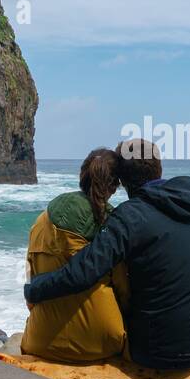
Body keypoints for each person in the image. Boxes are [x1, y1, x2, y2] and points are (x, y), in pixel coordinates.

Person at [24, 139, 190, 379]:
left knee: (118, 340)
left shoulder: (132, 216)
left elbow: (85, 271)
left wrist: (36, 289)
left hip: (152, 353)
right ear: (159, 169)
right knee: (183, 327)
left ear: (124, 183)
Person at [20, 148, 130, 362]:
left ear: (82, 177)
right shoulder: (112, 226)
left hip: (41, 340)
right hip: (101, 343)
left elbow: (29, 279)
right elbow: (124, 292)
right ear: (115, 187)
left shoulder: (41, 221)